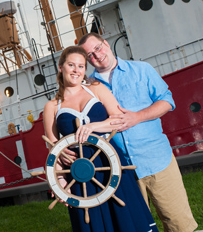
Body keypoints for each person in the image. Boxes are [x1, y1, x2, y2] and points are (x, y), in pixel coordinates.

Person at [78, 33, 198, 232]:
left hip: (157, 160)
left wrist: (137, 117)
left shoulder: (142, 70)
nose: (97, 56)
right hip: (121, 171)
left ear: (106, 43)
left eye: (98, 48)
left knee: (179, 224)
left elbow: (167, 101)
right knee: (136, 228)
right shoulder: (89, 88)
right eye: (90, 55)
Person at [43, 46, 158, 232]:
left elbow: (119, 120)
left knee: (126, 217)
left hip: (110, 162)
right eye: (71, 65)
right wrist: (61, 183)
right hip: (80, 172)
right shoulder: (51, 107)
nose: (76, 70)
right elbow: (52, 148)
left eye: (81, 66)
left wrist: (92, 127)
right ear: (60, 67)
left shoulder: (96, 89)